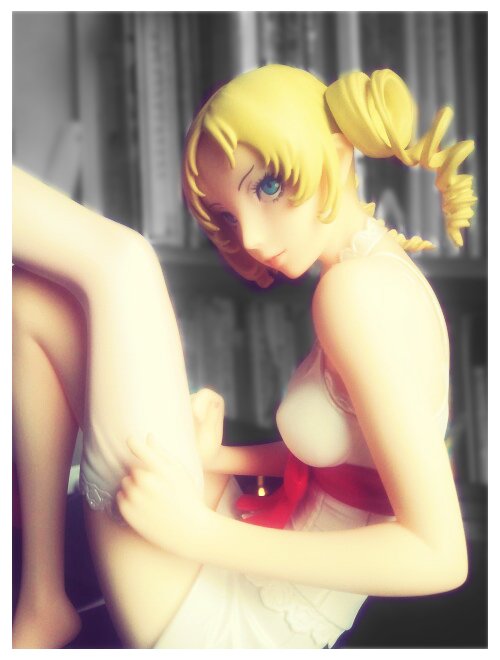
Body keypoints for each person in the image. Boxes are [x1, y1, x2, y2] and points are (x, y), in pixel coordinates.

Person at [12, 64, 476, 649]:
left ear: (337, 157)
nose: (251, 238)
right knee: (33, 303)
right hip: (247, 546)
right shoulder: (374, 275)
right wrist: (220, 458)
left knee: (123, 261)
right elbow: (353, 470)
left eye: (268, 188)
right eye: (229, 216)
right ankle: (43, 601)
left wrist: (197, 533)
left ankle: (45, 602)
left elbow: (438, 555)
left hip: (243, 627)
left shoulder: (357, 293)